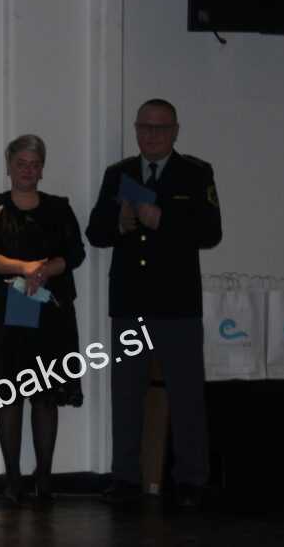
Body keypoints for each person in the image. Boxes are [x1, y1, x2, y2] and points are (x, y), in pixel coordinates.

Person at [86, 98, 222, 508]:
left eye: (160, 128)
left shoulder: (195, 173)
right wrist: (120, 222)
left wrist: (162, 219)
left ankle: (191, 480)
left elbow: (210, 231)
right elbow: (96, 231)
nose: (152, 135)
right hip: (130, 303)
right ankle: (126, 478)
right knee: (126, 396)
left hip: (177, 305)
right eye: (144, 126)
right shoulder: (119, 174)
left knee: (186, 397)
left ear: (175, 131)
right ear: (135, 129)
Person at [0, 134, 86, 505]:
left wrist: (45, 271)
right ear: (9, 165)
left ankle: (45, 478)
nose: (28, 170)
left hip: (50, 313)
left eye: (35, 164)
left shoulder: (59, 208)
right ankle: (13, 479)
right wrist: (24, 268)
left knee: (46, 396)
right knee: (9, 395)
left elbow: (76, 253)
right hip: (3, 314)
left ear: (42, 169)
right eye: (21, 163)